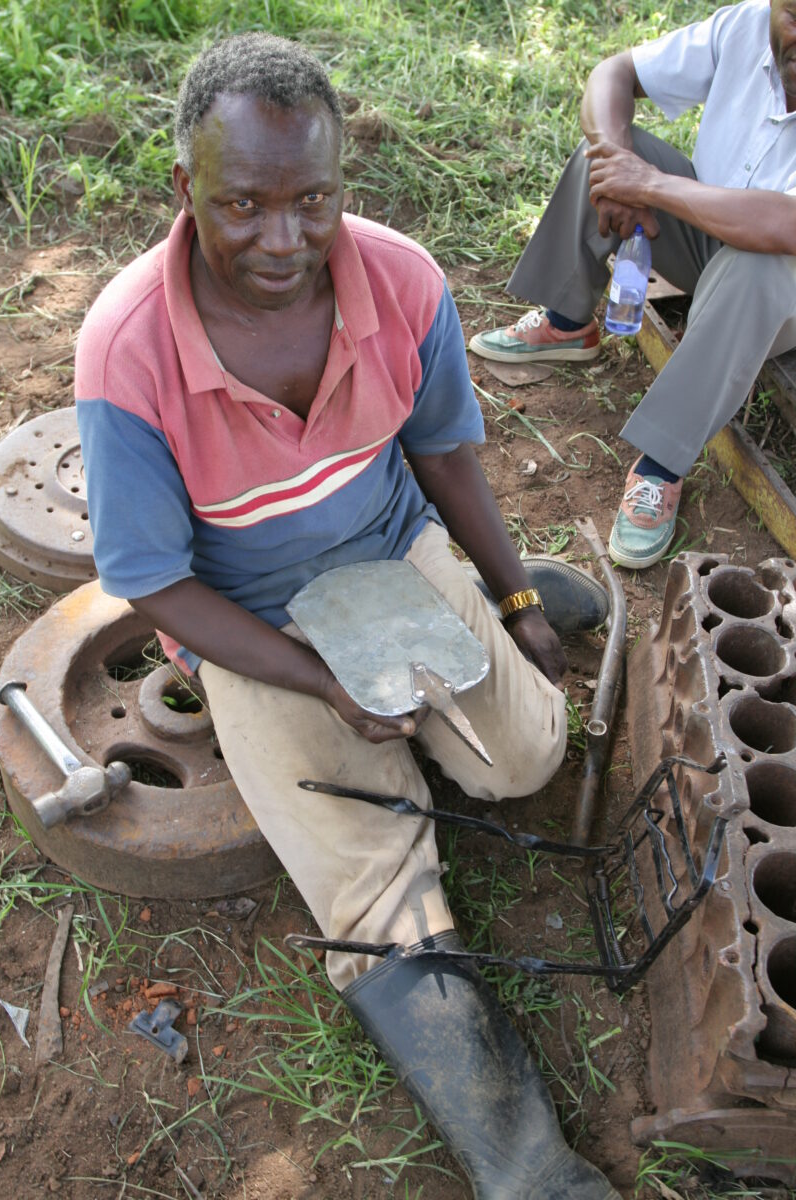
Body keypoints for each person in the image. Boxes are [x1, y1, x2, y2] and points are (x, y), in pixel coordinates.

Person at [75, 32, 616, 1200]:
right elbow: (156, 582)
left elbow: (444, 455)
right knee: (376, 882)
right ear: (186, 191)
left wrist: (514, 600)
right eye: (244, 204)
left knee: (524, 762)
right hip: (249, 612)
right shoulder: (127, 350)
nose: (283, 239)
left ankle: (538, 594)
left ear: (340, 186)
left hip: (389, 550)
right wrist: (320, 681)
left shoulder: (401, 280)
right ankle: (524, 1166)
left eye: (311, 200)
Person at [470, 0, 796, 571]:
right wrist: (621, 166)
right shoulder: (743, 26)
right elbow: (614, 73)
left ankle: (661, 466)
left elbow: (784, 226)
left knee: (759, 263)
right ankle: (568, 322)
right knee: (613, 149)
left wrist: (651, 186)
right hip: (713, 237)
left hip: (780, 287)